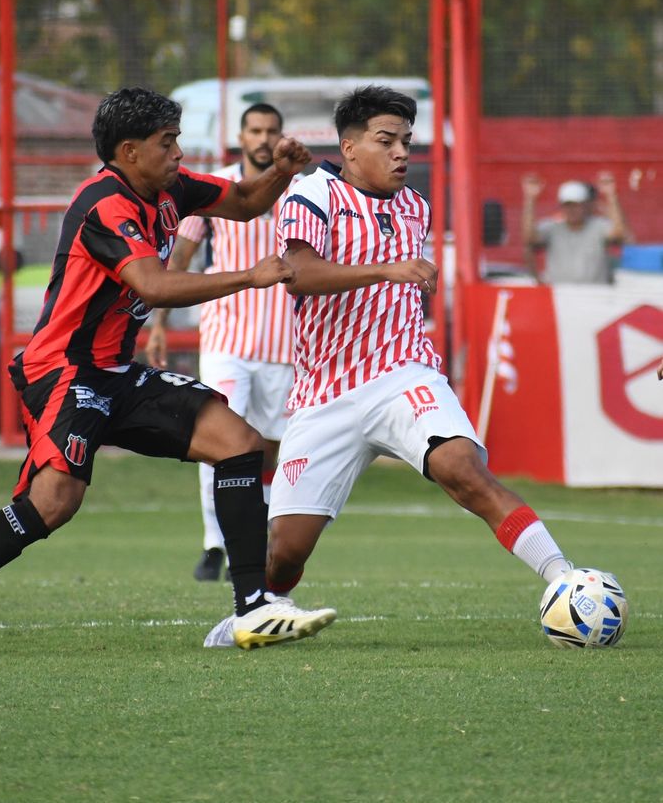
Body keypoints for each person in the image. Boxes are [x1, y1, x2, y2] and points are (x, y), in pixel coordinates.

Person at [0, 86, 336, 657]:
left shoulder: (169, 188)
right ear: (129, 151)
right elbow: (155, 284)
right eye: (167, 142)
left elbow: (243, 200)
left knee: (238, 443)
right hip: (64, 370)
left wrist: (282, 174)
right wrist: (249, 276)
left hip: (116, 371)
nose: (178, 153)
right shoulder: (106, 204)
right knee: (53, 504)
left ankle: (252, 609)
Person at [206, 84, 579, 648]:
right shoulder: (312, 193)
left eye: (407, 140)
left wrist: (393, 274)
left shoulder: (415, 205)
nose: (402, 152)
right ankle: (258, 612)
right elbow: (298, 273)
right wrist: (388, 269)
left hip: (404, 372)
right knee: (284, 551)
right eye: (387, 140)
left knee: (461, 466)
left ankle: (567, 581)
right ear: (351, 147)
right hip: (326, 391)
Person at [147, 103, 296, 582]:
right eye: (255, 130)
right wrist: (158, 323)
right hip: (227, 337)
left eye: (271, 131)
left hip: (286, 343)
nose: (263, 138)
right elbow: (178, 262)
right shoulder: (215, 188)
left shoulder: (300, 191)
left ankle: (250, 537)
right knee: (220, 436)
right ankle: (216, 545)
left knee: (270, 447)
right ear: (241, 134)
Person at [521, 172, 632, 284]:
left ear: (586, 205)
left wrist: (611, 195)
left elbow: (619, 234)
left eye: (576, 205)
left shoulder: (598, 227)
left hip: (596, 294)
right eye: (567, 205)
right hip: (559, 293)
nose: (572, 210)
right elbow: (529, 239)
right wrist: (530, 199)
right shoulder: (552, 228)